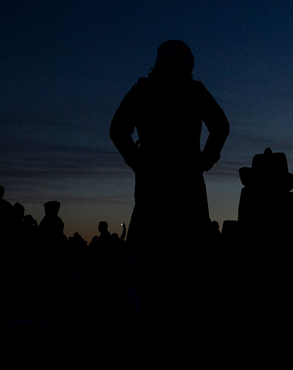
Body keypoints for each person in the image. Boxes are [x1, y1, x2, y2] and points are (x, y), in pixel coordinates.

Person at [110, 40, 229, 322]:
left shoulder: (144, 90)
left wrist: (138, 162)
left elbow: (118, 131)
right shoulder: (193, 91)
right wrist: (204, 161)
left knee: (153, 261)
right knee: (187, 258)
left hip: (155, 184)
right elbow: (221, 126)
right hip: (185, 183)